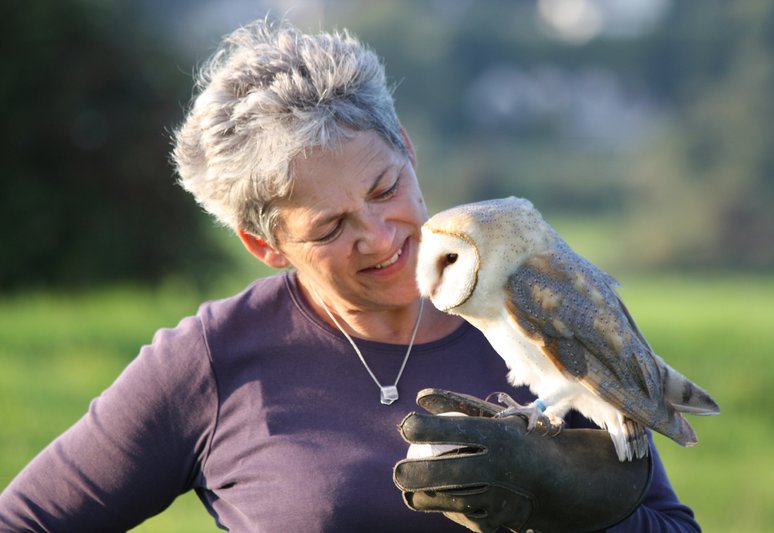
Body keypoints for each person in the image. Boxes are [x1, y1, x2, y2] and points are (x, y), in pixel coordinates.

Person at [0, 18, 701, 532]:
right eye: (330, 227)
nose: (379, 237)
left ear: (409, 149)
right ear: (263, 244)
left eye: (384, 188)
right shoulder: (214, 358)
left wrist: (568, 509)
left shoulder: (534, 301)